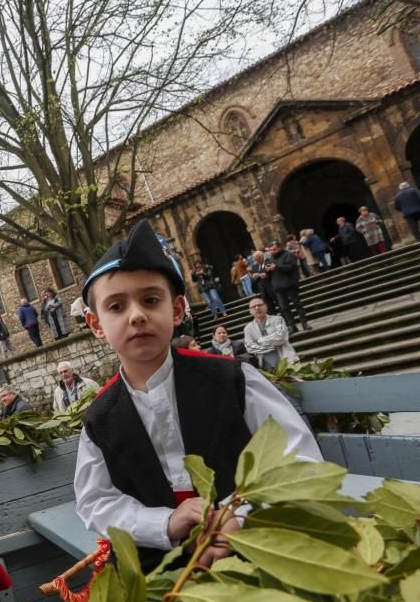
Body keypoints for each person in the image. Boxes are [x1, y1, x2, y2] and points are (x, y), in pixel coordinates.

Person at [73, 219, 322, 573]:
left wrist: (240, 516)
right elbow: (95, 500)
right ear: (96, 324)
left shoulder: (233, 380)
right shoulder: (100, 418)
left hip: (257, 554)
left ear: (176, 311)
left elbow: (298, 457)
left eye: (150, 299)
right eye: (116, 307)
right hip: (159, 569)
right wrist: (162, 524)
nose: (137, 315)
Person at [266, 240, 311, 333]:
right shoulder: (270, 259)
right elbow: (270, 275)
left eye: (274, 249)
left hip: (289, 284)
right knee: (284, 308)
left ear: (279, 247)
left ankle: (304, 323)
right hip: (278, 287)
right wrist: (267, 271)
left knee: (297, 304)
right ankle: (292, 326)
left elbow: (289, 268)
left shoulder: (288, 255)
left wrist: (277, 267)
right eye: (270, 250)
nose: (272, 252)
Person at [242, 297, 299, 371]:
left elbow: (282, 337)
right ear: (250, 311)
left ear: (265, 306)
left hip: (287, 360)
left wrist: (261, 341)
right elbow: (250, 347)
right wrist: (269, 347)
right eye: (253, 307)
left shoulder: (278, 319)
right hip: (265, 366)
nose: (257, 308)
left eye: (259, 305)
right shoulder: (248, 328)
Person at [250, 250, 279, 314]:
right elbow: (254, 280)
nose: (256, 261)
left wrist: (267, 274)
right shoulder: (254, 267)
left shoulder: (269, 261)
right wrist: (254, 277)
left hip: (273, 289)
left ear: (261, 257)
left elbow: (275, 272)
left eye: (257, 259)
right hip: (263, 292)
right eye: (255, 260)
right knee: (270, 310)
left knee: (282, 306)